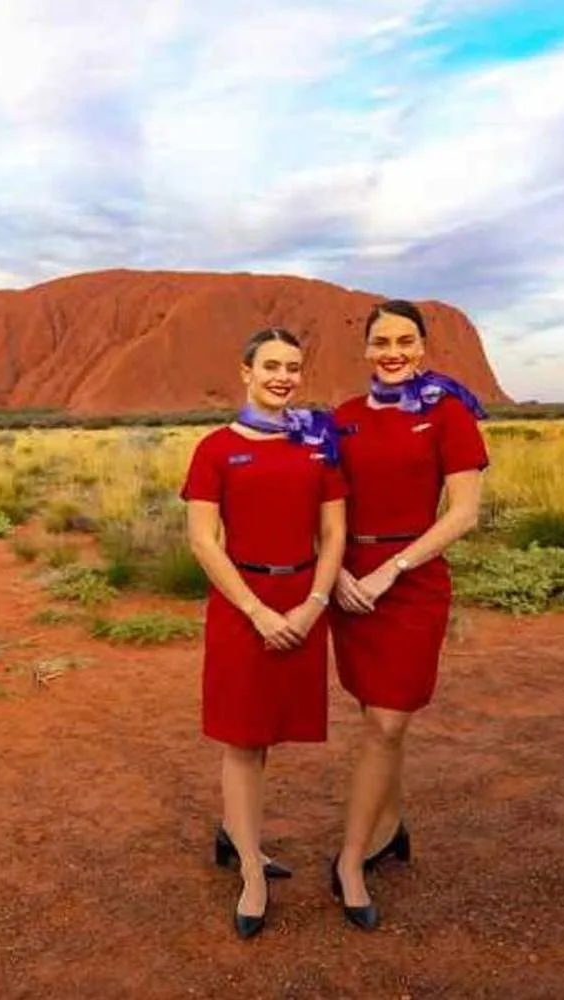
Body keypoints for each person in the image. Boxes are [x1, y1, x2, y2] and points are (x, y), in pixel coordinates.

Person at [328, 299, 489, 930]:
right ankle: (390, 829)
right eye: (380, 343)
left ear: (423, 347)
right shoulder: (342, 420)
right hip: (351, 589)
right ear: (365, 350)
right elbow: (326, 508)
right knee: (376, 718)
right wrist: (336, 571)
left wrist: (391, 569)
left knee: (388, 722)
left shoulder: (449, 413)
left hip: (411, 584)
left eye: (405, 341)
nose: (393, 353)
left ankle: (349, 859)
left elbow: (463, 513)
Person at [181, 328, 347, 939]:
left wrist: (313, 605)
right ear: (245, 371)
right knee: (242, 739)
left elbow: (333, 535)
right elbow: (203, 540)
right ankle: (250, 866)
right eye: (271, 365)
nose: (283, 376)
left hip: (302, 599)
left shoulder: (318, 443)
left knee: (268, 731)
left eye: (294, 367)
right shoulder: (216, 448)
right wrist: (256, 612)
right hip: (241, 604)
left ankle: (237, 835)